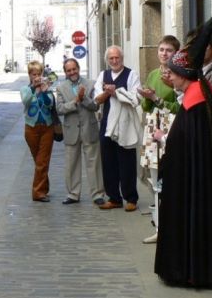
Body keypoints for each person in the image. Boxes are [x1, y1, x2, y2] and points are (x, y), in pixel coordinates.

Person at [153, 0, 212, 289]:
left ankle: (188, 269)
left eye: (173, 74)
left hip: (192, 184)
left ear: (185, 74)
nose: (170, 78)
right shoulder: (198, 93)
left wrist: (165, 139)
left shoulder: (197, 100)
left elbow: (184, 143)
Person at [137, 35, 181, 244]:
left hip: (169, 129)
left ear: (176, 53)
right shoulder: (154, 74)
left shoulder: (178, 75)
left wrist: (156, 98)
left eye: (168, 50)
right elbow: (147, 107)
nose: (164, 53)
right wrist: (146, 98)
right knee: (155, 182)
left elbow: (179, 108)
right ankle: (158, 228)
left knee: (169, 180)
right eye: (161, 49)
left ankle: (171, 228)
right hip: (152, 127)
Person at [94, 46, 141, 212]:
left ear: (122, 58)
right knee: (108, 162)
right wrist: (108, 93)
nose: (114, 61)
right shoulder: (103, 75)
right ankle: (113, 198)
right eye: (111, 58)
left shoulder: (131, 74)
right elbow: (97, 99)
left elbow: (136, 99)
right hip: (107, 123)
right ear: (107, 60)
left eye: (117, 58)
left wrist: (116, 93)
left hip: (125, 124)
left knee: (127, 161)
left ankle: (131, 198)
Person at [55, 58, 104, 205]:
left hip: (89, 128)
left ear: (78, 68)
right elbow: (60, 109)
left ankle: (97, 194)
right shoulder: (61, 87)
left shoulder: (91, 83)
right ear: (65, 72)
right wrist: (75, 101)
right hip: (71, 131)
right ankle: (73, 194)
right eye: (68, 70)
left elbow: (95, 105)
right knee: (72, 164)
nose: (72, 72)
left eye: (74, 69)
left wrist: (84, 99)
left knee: (94, 163)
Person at [20, 60, 57, 202]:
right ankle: (44, 187)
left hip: (47, 128)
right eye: (33, 74)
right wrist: (34, 89)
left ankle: (38, 193)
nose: (36, 77)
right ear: (29, 75)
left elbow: (50, 104)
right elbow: (26, 101)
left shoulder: (46, 87)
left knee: (43, 160)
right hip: (31, 128)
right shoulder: (25, 89)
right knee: (39, 161)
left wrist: (45, 90)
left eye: (38, 74)